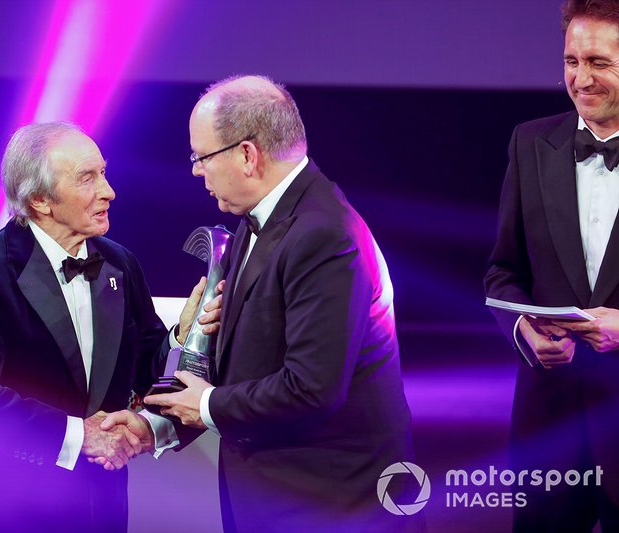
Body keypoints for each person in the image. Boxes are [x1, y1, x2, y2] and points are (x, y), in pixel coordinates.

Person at [139, 75, 420, 532]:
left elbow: (312, 388)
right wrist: (155, 424)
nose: (195, 171)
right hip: (275, 497)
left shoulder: (324, 234)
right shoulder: (260, 219)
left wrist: (206, 404)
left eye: (201, 157)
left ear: (247, 155)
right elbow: (251, 359)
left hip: (326, 505)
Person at [0, 122, 218, 533]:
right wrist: (80, 437)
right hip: (0, 505)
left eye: (103, 172)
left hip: (98, 505)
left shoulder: (120, 263)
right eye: (87, 178)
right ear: (41, 199)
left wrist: (179, 337)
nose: (109, 190)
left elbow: (145, 370)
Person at [484, 1, 619, 530]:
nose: (580, 79)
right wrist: (522, 330)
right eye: (571, 61)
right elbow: (502, 271)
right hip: (548, 420)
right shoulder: (531, 142)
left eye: (599, 63)